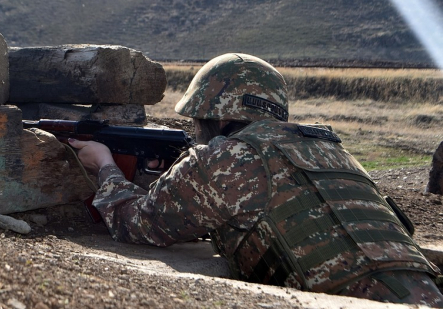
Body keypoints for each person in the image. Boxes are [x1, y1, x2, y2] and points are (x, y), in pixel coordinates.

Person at [69, 53, 443, 306]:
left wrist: (104, 165)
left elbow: (135, 223)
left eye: (197, 121)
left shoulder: (226, 156)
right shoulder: (330, 146)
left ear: (213, 113)